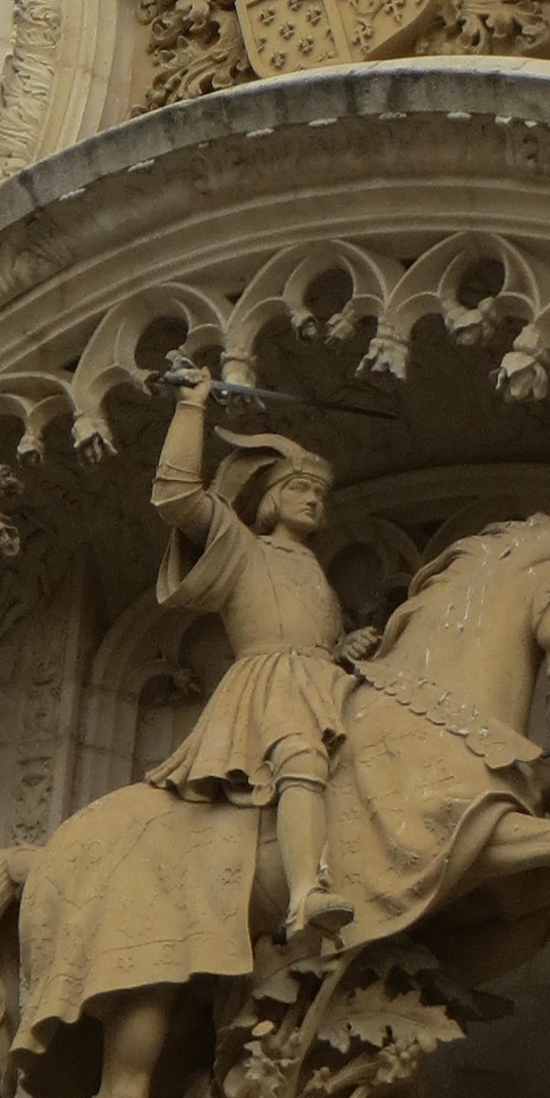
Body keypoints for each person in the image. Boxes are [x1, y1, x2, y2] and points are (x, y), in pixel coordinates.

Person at [143, 365, 355, 947]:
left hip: (325, 682)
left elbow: (321, 637)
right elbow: (176, 497)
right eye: (300, 490)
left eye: (320, 495)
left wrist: (349, 649)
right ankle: (305, 893)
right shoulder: (241, 547)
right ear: (271, 500)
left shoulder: (315, 572)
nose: (312, 501)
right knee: (299, 754)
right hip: (271, 682)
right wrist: (192, 408)